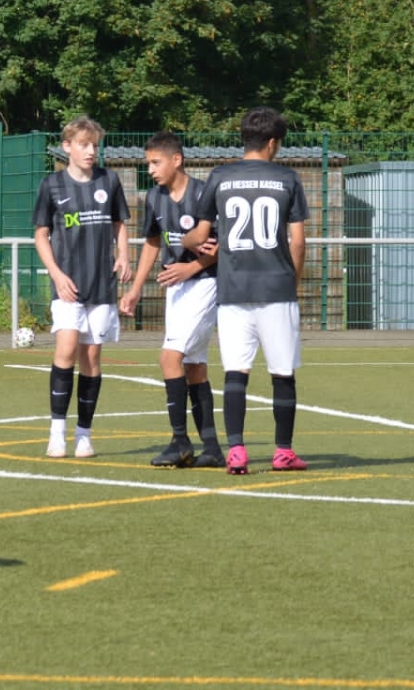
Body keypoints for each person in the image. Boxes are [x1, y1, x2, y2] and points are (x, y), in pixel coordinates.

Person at [182, 107, 309, 475]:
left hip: (233, 289)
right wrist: (293, 282)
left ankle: (236, 451)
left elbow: (200, 235)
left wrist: (188, 240)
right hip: (276, 287)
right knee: (282, 372)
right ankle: (283, 452)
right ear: (272, 142)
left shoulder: (220, 177)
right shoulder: (287, 178)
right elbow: (298, 242)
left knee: (236, 372)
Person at [121, 132, 224, 468]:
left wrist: (191, 267)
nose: (150, 169)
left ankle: (180, 442)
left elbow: (224, 244)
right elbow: (153, 242)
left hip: (205, 283)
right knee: (194, 366)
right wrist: (136, 288)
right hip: (177, 289)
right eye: (148, 163)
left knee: (169, 358)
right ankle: (212, 448)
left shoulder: (204, 194)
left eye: (155, 162)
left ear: (176, 160)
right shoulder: (154, 197)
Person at [32, 117, 131, 459]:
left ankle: (84, 435)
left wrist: (124, 255)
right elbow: (41, 235)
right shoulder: (52, 185)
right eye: (83, 144)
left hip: (101, 285)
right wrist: (57, 275)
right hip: (68, 286)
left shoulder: (109, 180)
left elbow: (119, 224)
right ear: (67, 147)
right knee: (66, 350)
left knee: (91, 357)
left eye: (94, 145)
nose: (91, 151)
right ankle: (56, 433)